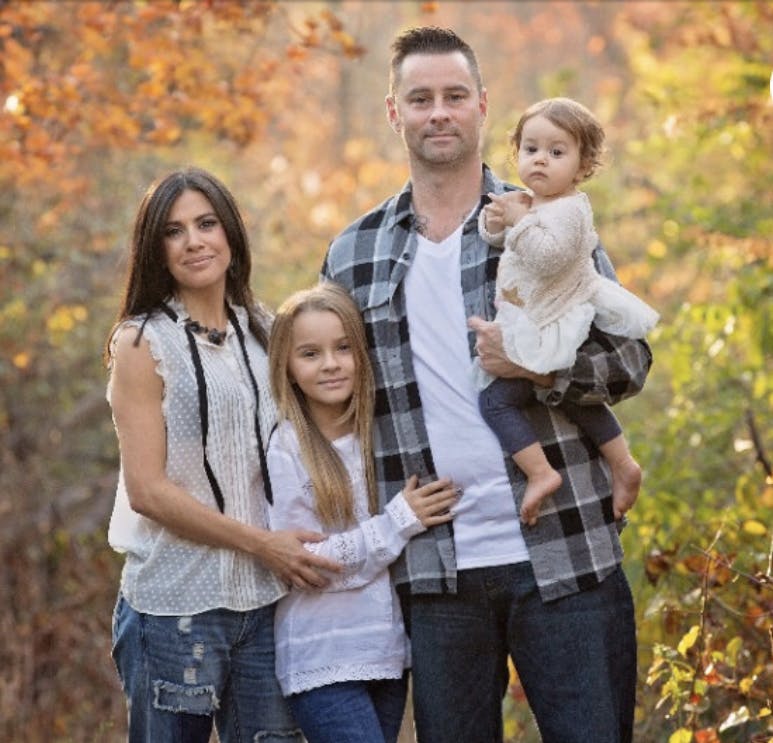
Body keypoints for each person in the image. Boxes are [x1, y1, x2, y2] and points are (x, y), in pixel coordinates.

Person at [321, 26, 653, 743]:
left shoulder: (545, 224)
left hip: (566, 557)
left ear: (481, 107)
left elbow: (630, 361)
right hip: (437, 573)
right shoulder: (354, 251)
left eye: (453, 96)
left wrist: (539, 370)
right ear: (393, 112)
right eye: (419, 99)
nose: (437, 111)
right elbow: (324, 401)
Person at [105, 167, 340, 743]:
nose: (194, 241)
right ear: (157, 250)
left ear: (230, 233)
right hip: (174, 609)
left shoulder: (263, 329)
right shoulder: (141, 343)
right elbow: (148, 491)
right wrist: (264, 544)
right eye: (174, 230)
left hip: (265, 606)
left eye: (206, 223)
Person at [266, 283, 459, 743]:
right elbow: (308, 565)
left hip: (387, 656)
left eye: (343, 348)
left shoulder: (383, 440)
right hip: (323, 662)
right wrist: (397, 521)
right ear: (288, 369)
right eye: (310, 354)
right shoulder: (286, 447)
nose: (330, 364)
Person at [476, 96, 659, 526]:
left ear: (582, 166)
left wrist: (519, 223)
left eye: (556, 153)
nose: (541, 160)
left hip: (555, 321)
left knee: (498, 401)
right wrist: (496, 223)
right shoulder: (533, 203)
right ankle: (623, 463)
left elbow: (547, 257)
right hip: (537, 315)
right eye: (531, 149)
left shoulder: (572, 211)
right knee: (573, 400)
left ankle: (540, 474)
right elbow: (504, 244)